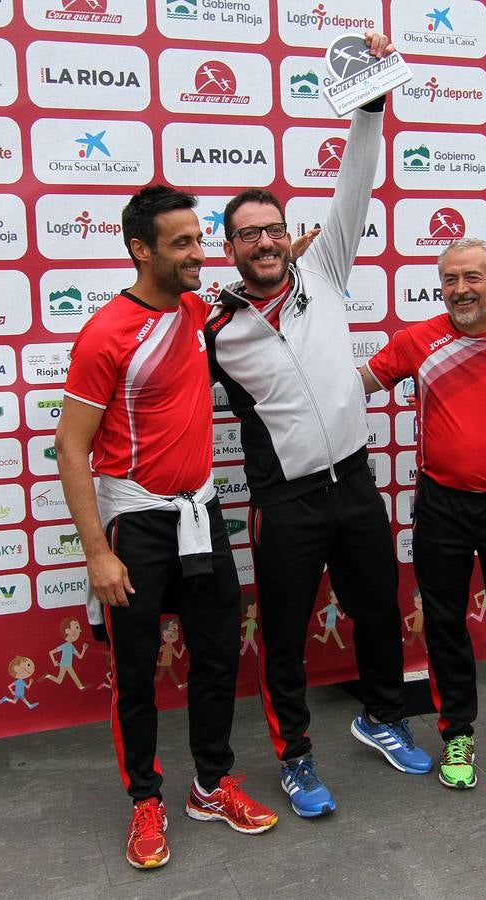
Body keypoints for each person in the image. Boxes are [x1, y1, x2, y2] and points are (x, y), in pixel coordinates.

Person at [204, 30, 432, 818]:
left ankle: (380, 717)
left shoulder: (324, 271)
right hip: (286, 504)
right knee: (288, 639)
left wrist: (371, 92)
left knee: (377, 612)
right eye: (247, 235)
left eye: (272, 228)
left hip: (355, 486)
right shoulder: (215, 328)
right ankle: (295, 757)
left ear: (286, 233)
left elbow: (355, 178)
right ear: (227, 249)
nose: (264, 242)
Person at [56, 185, 276, 871]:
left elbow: (268, 269)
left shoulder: (195, 306)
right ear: (140, 250)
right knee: (135, 671)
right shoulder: (104, 334)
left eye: (198, 240)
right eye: (181, 244)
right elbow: (71, 446)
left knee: (216, 656)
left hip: (201, 514)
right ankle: (144, 800)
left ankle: (211, 784)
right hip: (136, 525)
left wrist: (282, 247)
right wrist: (97, 554)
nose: (197, 254)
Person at [360, 238, 486, 792]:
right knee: (446, 623)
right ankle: (457, 731)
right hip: (441, 504)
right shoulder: (417, 340)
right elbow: (353, 386)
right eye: (450, 279)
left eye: (472, 277)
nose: (460, 289)